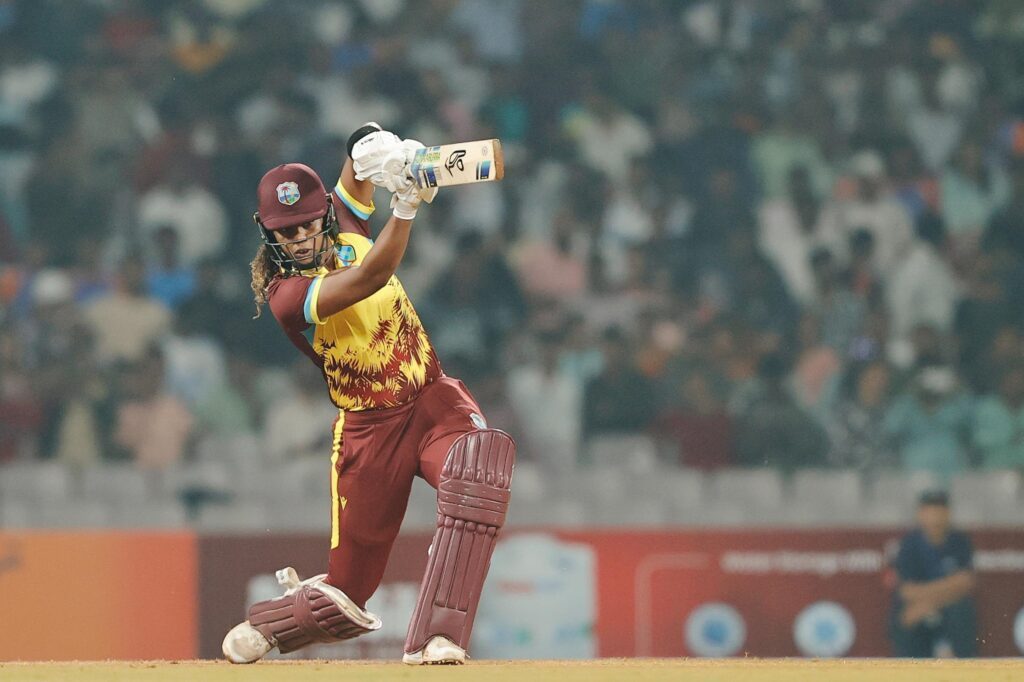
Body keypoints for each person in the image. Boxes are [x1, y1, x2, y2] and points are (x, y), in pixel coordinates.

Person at [221, 124, 516, 666]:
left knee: (480, 464)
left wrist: (376, 146)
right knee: (349, 593)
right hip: (369, 430)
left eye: (309, 223)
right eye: (287, 232)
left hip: (432, 401)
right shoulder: (287, 294)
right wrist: (404, 207)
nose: (302, 238)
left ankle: (438, 637)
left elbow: (359, 164)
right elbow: (371, 276)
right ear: (268, 233)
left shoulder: (346, 214)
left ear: (325, 212)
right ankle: (272, 625)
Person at [889, 490, 977, 658]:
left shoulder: (959, 541)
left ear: (948, 513)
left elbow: (965, 583)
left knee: (961, 609)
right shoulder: (909, 545)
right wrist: (947, 589)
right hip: (920, 607)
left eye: (940, 511)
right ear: (920, 514)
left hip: (945, 607)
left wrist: (930, 604)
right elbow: (907, 591)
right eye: (931, 512)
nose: (935, 517)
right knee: (904, 617)